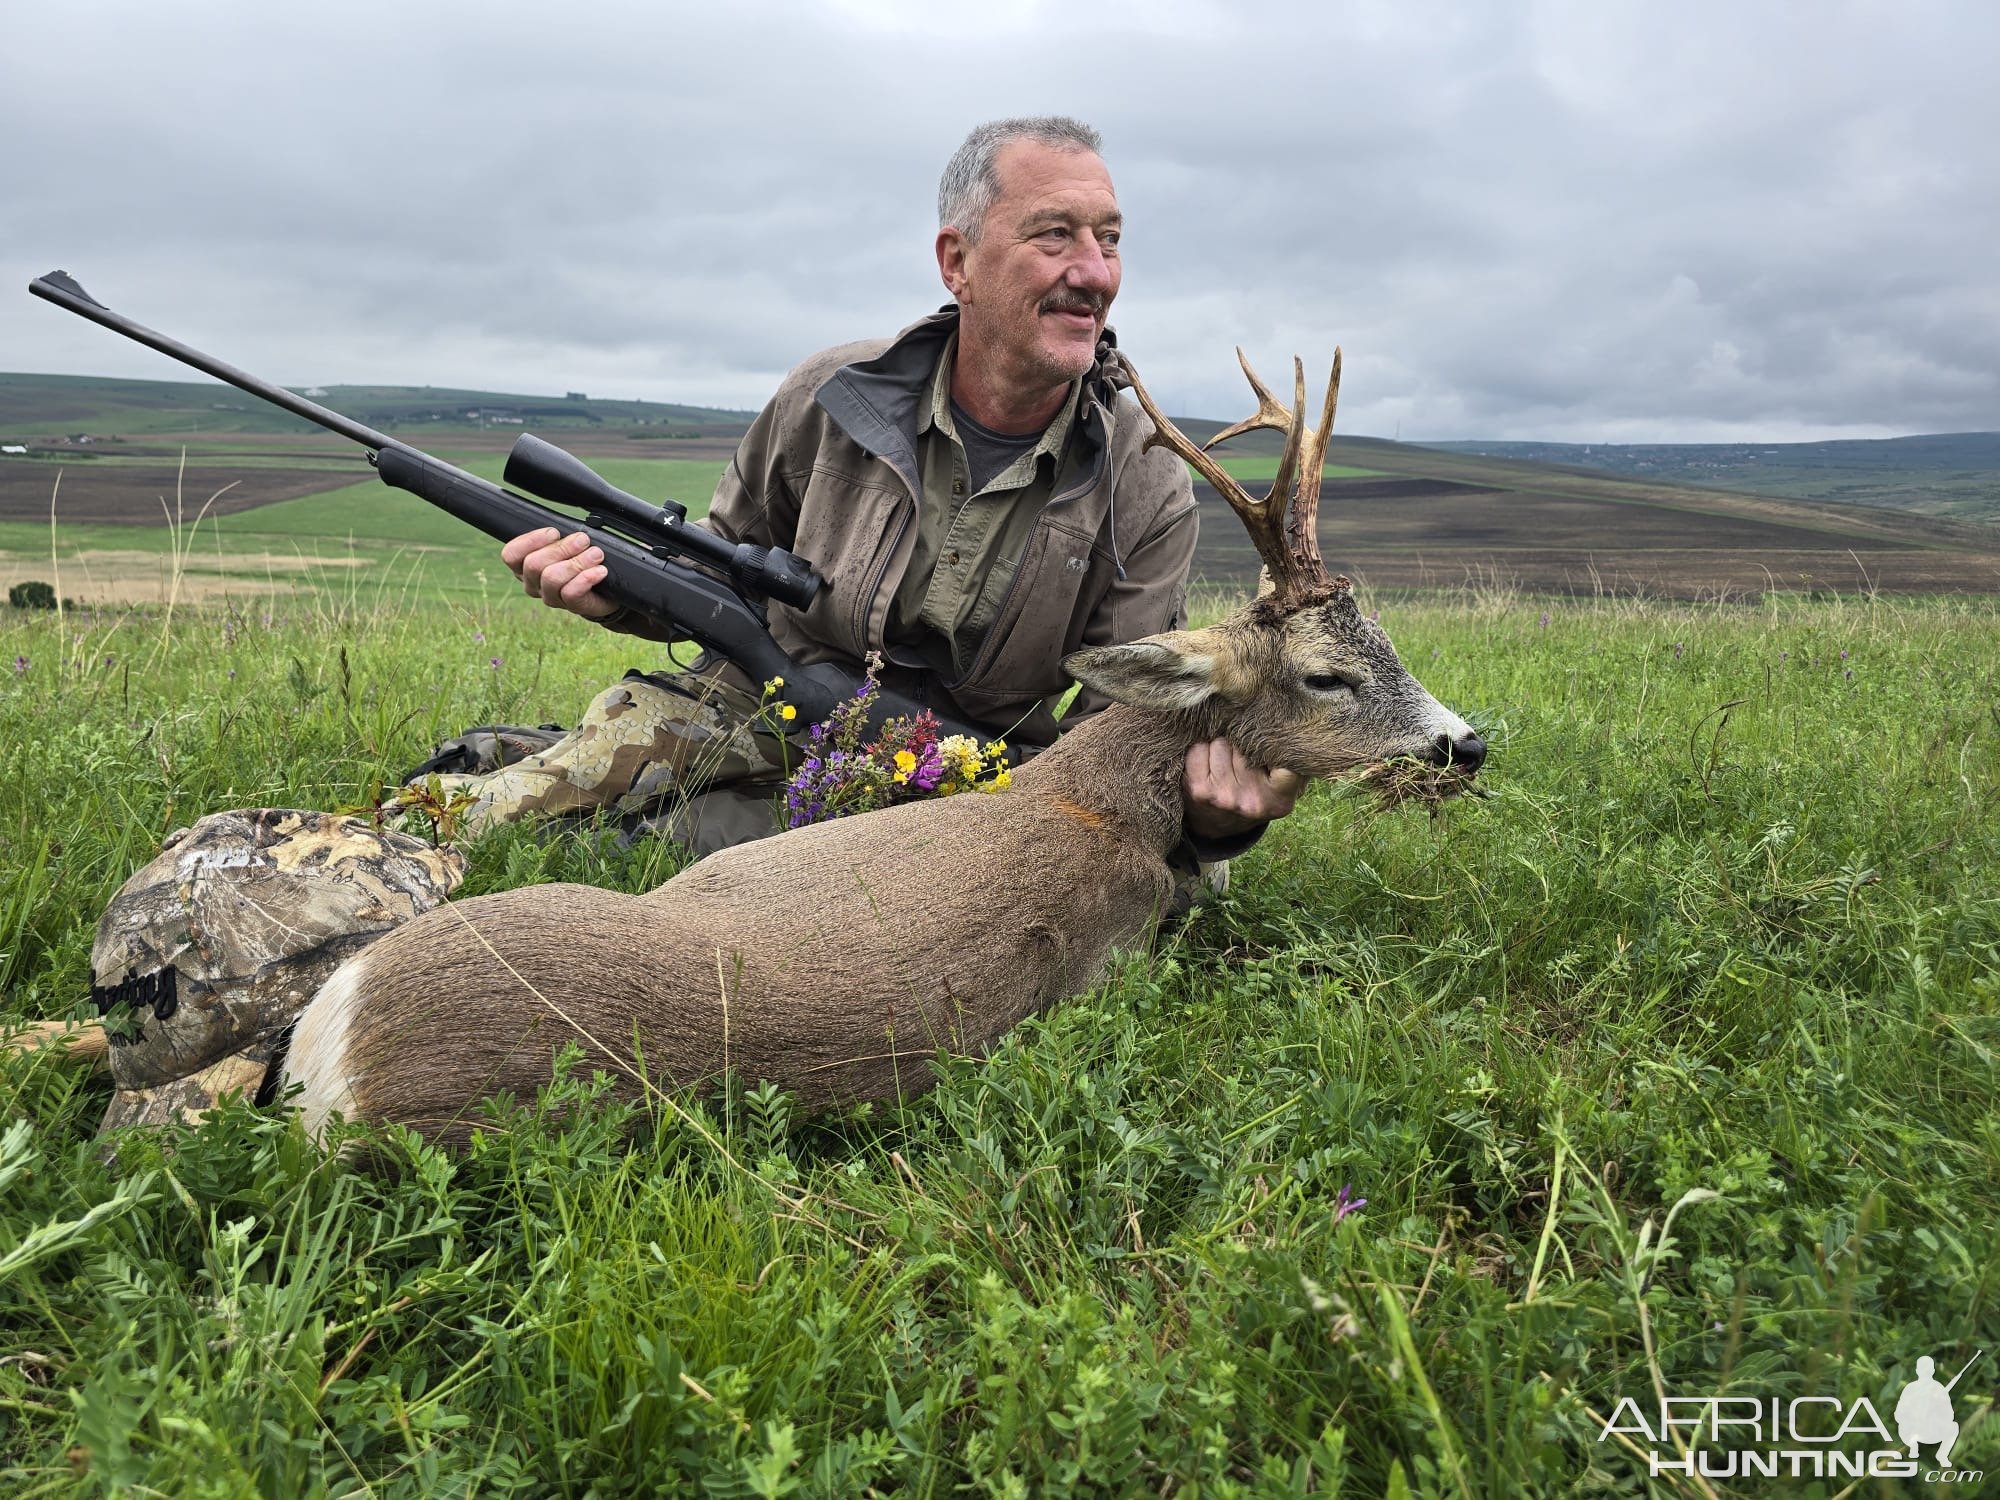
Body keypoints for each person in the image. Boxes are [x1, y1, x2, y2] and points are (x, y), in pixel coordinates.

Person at [451, 116, 1301, 863]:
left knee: (671, 856)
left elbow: (1114, 729)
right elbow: (710, 579)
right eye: (1055, 236)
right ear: (956, 261)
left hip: (960, 782)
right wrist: (609, 594)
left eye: (1109, 240)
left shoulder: (1144, 475)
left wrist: (1216, 820)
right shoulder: (830, 392)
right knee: (495, 823)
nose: (1095, 272)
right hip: (764, 704)